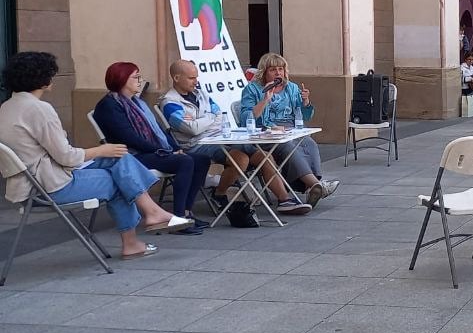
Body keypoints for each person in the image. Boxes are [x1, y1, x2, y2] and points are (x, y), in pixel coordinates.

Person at [0, 52, 193, 260]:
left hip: (34, 181)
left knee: (120, 158)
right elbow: (67, 157)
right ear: (44, 78)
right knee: (120, 179)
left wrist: (106, 152)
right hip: (50, 185)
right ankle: (136, 237)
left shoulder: (8, 107)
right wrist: (101, 150)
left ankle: (151, 214)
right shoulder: (38, 109)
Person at [161, 60, 311, 216]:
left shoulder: (201, 95)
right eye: (191, 78)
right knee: (240, 160)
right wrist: (209, 119)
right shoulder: (170, 102)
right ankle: (219, 194)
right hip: (197, 144)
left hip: (220, 137)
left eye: (196, 77)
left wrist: (203, 120)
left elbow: (220, 116)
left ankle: (284, 200)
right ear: (177, 78)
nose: (196, 81)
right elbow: (191, 129)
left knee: (263, 155)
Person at [93, 62, 211, 235]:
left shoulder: (137, 103)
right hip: (130, 157)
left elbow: (160, 131)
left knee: (201, 160)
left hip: (151, 152)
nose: (140, 80)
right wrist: (165, 151)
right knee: (184, 161)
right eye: (136, 77)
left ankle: (186, 212)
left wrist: (175, 147)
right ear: (121, 79)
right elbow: (129, 138)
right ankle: (177, 219)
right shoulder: (109, 106)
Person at [240, 53, 339, 207]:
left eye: (281, 69)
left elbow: (305, 116)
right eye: (273, 69)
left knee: (308, 142)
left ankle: (311, 187)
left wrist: (306, 102)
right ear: (264, 72)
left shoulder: (291, 88)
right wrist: (265, 99)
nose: (278, 73)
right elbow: (246, 118)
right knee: (287, 146)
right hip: (266, 132)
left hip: (290, 128)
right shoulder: (252, 89)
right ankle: (314, 185)